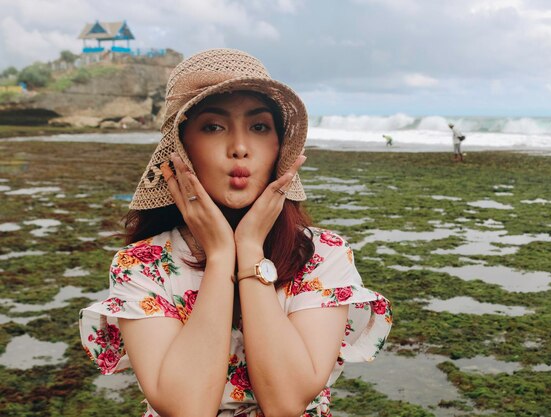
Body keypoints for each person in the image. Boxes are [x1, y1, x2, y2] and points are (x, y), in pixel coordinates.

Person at [79, 49, 392, 417]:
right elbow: (186, 409)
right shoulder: (141, 265)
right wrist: (221, 258)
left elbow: (286, 402)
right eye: (213, 126)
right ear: (182, 147)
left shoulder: (322, 254)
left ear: (279, 146)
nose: (240, 148)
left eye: (259, 127)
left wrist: (250, 250)